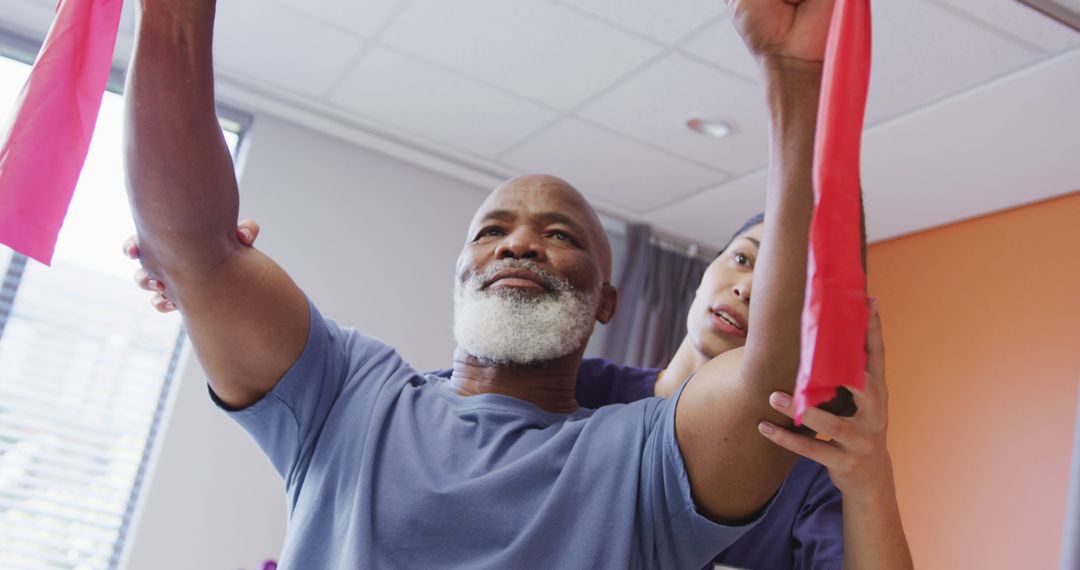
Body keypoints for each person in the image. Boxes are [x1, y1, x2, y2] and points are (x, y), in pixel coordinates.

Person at [123, 0, 860, 567]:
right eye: (490, 231)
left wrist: (798, 85)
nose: (521, 243)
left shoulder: (648, 463)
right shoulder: (346, 395)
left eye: (561, 234)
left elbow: (779, 367)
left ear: (607, 300)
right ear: (461, 275)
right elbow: (196, 249)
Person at [131, 214, 913, 570]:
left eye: (786, 286)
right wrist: (211, 294)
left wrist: (869, 474)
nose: (750, 288)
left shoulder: (803, 474)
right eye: (743, 258)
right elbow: (401, 442)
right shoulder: (588, 399)